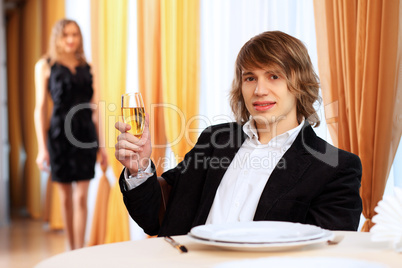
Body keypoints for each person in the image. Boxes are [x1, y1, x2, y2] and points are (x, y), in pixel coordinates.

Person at [115, 31, 362, 237]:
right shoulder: (215, 140)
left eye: (274, 76)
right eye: (250, 78)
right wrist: (140, 168)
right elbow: (156, 216)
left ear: (300, 83)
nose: (259, 90)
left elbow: (325, 255)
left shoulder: (336, 167)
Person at [34, 19, 107, 250]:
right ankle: (71, 248)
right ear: (57, 37)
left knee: (81, 197)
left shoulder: (88, 66)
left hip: (85, 135)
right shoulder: (45, 65)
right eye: (66, 34)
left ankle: (80, 253)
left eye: (75, 34)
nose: (71, 39)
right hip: (58, 136)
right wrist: (41, 148)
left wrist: (102, 146)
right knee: (65, 198)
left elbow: (95, 109)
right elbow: (40, 108)